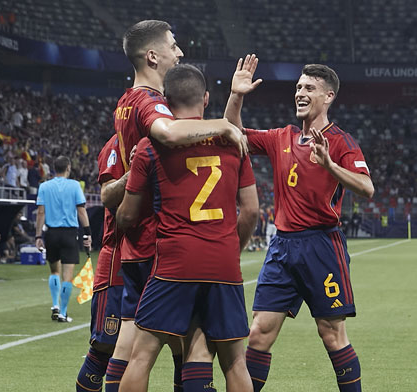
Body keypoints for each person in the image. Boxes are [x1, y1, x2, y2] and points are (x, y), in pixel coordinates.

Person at [100, 19, 246, 390]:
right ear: (152, 56)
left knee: (130, 345)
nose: (179, 52)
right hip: (162, 243)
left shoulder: (124, 103)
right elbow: (167, 132)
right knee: (194, 345)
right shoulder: (151, 104)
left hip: (134, 243)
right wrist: (224, 125)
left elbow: (118, 187)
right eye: (173, 46)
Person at [225, 60, 374, 391]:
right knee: (259, 332)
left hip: (321, 246)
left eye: (309, 88)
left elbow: (366, 188)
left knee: (331, 333)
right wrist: (236, 95)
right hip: (281, 248)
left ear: (328, 96)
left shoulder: (340, 141)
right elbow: (233, 132)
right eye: (298, 87)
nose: (300, 93)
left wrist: (331, 164)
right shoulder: (282, 136)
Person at [75, 134, 127, 392]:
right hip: (118, 259)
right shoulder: (115, 146)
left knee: (179, 346)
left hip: (158, 259)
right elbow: (108, 195)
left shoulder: (164, 138)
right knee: (107, 344)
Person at [35, 155, 92, 323]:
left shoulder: (44, 186)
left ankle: (55, 305)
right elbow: (81, 211)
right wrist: (87, 233)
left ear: (54, 168)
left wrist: (38, 236)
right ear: (68, 168)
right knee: (67, 276)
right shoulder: (74, 186)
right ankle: (63, 313)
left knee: (54, 271)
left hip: (51, 233)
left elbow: (40, 212)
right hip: (69, 233)